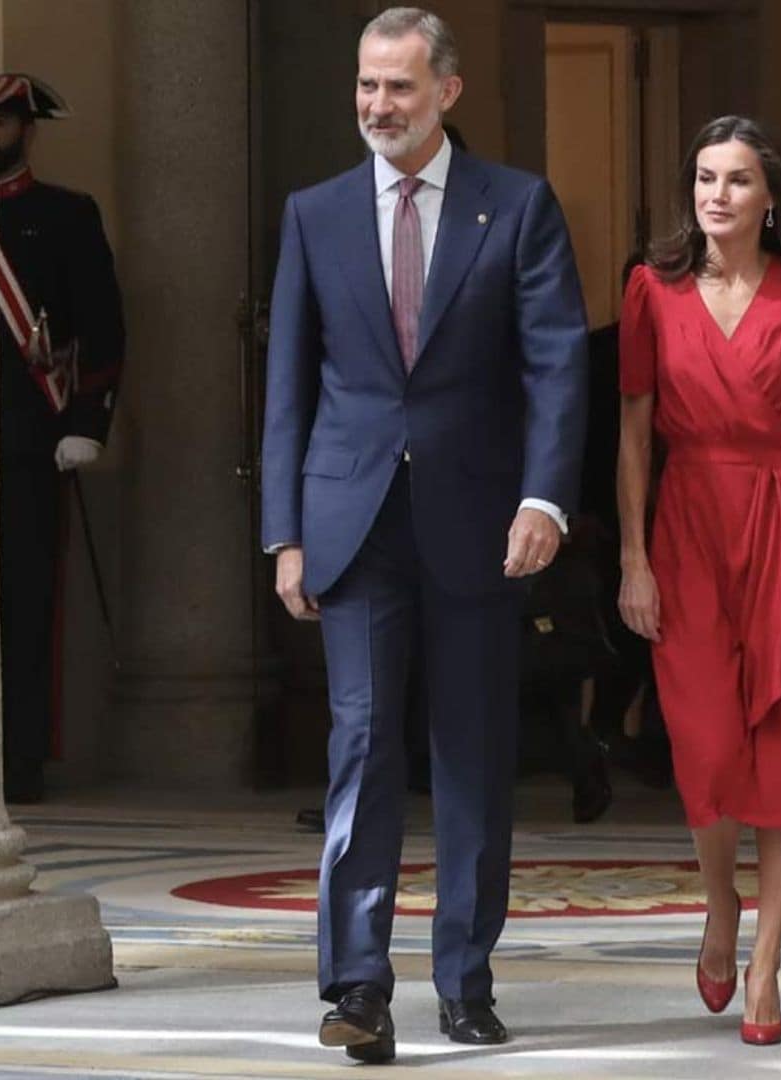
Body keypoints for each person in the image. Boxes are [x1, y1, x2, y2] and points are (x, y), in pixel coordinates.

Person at [261, 7, 588, 1063]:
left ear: (447, 92)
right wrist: (284, 534)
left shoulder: (519, 206)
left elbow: (556, 368)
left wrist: (546, 499)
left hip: (480, 524)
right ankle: (356, 986)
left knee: (472, 757)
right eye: (365, 85)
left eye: (398, 87)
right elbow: (287, 390)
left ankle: (465, 980)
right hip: (351, 522)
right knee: (359, 745)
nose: (377, 106)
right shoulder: (314, 213)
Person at [617, 116, 781, 1046]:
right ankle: (719, 902)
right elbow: (635, 433)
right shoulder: (652, 289)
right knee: (709, 746)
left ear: (770, 199)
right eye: (704, 177)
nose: (715, 194)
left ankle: (765, 965)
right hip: (686, 525)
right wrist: (633, 557)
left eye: (737, 180)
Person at [0, 72, 126, 803]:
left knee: (28, 602)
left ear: (26, 129)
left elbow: (102, 326)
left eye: (3, 123)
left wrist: (86, 425)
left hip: (30, 437)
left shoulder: (66, 215)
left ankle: (21, 757)